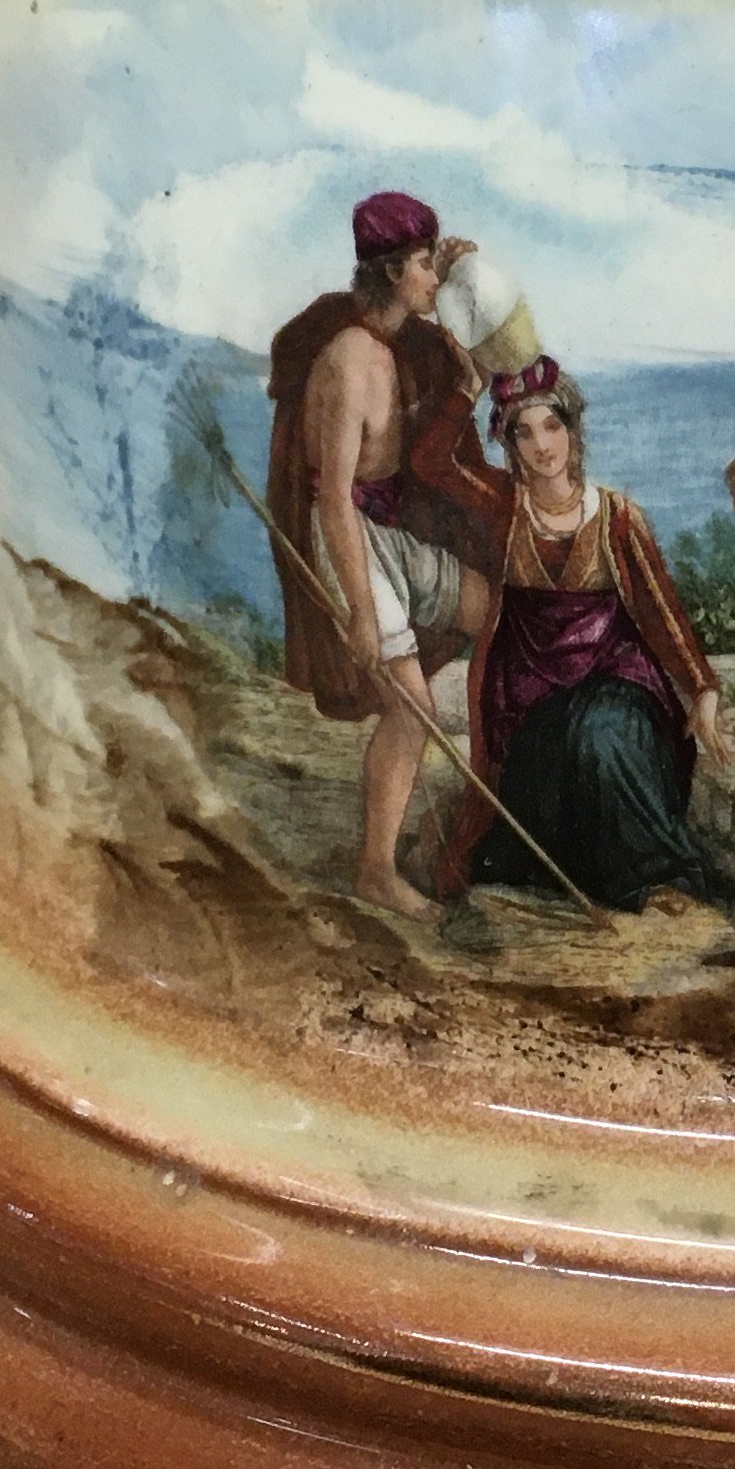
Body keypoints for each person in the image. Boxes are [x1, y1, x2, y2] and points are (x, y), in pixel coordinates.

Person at [265, 191, 505, 924]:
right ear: (395, 270)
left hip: (387, 534)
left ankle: (487, 812)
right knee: (409, 710)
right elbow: (334, 499)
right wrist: (363, 613)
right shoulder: (348, 362)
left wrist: (459, 282)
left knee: (495, 612)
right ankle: (376, 871)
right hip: (348, 537)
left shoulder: (401, 344)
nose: (434, 276)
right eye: (427, 264)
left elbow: (474, 360)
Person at [443, 363, 735, 913]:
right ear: (510, 446)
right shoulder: (503, 509)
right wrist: (467, 385)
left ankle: (660, 876)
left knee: (601, 733)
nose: (542, 446)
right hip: (533, 705)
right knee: (550, 767)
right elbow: (433, 463)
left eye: (552, 427)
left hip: (617, 686)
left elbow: (660, 610)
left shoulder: (616, 516)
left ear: (573, 431)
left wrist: (703, 689)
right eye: (524, 433)